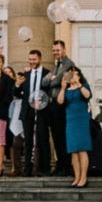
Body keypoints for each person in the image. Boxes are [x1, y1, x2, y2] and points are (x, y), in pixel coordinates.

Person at [15, 49, 51, 176]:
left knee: (43, 139)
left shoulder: (47, 74)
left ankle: (44, 169)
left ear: (39, 59)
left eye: (34, 59)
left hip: (42, 110)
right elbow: (17, 94)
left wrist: (42, 102)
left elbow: (50, 93)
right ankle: (27, 170)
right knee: (28, 141)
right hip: (27, 111)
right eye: (30, 59)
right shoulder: (26, 75)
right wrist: (17, 85)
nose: (31, 62)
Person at [44, 40, 77, 177]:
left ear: (64, 50)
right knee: (56, 136)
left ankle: (65, 166)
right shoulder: (55, 65)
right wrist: (53, 78)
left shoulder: (69, 64)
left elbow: (61, 81)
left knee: (63, 136)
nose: (55, 53)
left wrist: (53, 79)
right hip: (52, 104)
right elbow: (44, 81)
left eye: (58, 50)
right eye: (54, 50)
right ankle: (60, 164)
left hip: (62, 104)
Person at [57, 66, 93, 187]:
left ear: (79, 75)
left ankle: (84, 177)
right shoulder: (67, 89)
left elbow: (87, 96)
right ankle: (77, 177)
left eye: (75, 74)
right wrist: (62, 88)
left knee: (82, 149)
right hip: (70, 120)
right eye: (70, 75)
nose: (73, 76)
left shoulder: (84, 86)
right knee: (73, 151)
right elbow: (60, 101)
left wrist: (78, 84)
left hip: (81, 120)